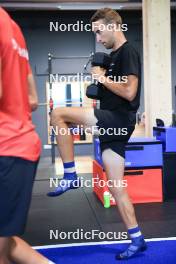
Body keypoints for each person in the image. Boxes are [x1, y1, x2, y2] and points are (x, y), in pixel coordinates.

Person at [47, 7, 147, 260]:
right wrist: (98, 85)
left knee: (58, 113)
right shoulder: (113, 56)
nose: (98, 38)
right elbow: (112, 90)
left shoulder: (128, 52)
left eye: (99, 32)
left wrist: (101, 79)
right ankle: (137, 239)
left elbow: (129, 93)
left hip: (119, 120)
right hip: (113, 124)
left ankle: (70, 174)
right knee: (116, 187)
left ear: (113, 26)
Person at [0, 7, 55, 264]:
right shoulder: (12, 26)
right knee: (7, 244)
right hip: (19, 144)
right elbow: (32, 99)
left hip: (5, 147)